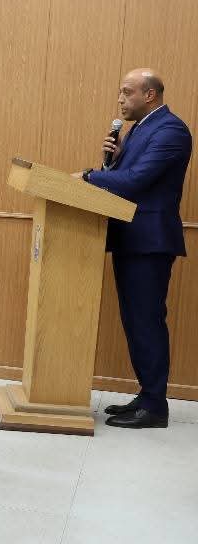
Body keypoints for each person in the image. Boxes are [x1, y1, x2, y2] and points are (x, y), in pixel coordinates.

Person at [76, 69, 192, 429]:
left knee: (146, 321)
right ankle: (147, 396)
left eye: (127, 92)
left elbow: (137, 181)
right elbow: (123, 179)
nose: (120, 99)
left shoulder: (171, 130)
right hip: (131, 238)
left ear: (150, 95)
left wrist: (89, 176)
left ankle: (155, 406)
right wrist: (109, 163)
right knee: (136, 321)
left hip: (149, 242)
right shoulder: (138, 130)